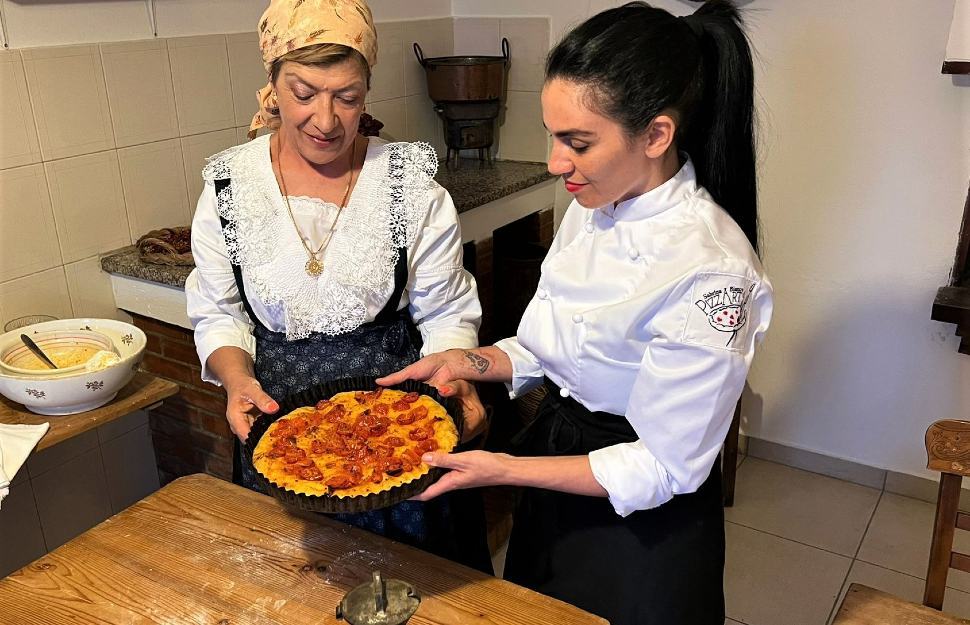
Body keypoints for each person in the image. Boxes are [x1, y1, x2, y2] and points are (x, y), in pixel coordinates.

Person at [377, 1, 773, 622]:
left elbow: (664, 464)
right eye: (553, 134)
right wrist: (467, 359)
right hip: (557, 465)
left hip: (640, 517)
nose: (556, 161)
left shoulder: (713, 271)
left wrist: (505, 469)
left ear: (656, 135)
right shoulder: (594, 203)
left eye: (577, 142)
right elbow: (550, 348)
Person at [185, 0, 490, 572]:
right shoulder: (230, 187)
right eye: (303, 93)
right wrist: (235, 381)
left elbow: (447, 311)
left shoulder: (408, 187)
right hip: (282, 435)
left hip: (400, 428)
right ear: (272, 85)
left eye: (347, 98)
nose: (326, 121)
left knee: (412, 593)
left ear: (367, 94)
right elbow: (218, 311)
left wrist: (456, 376)